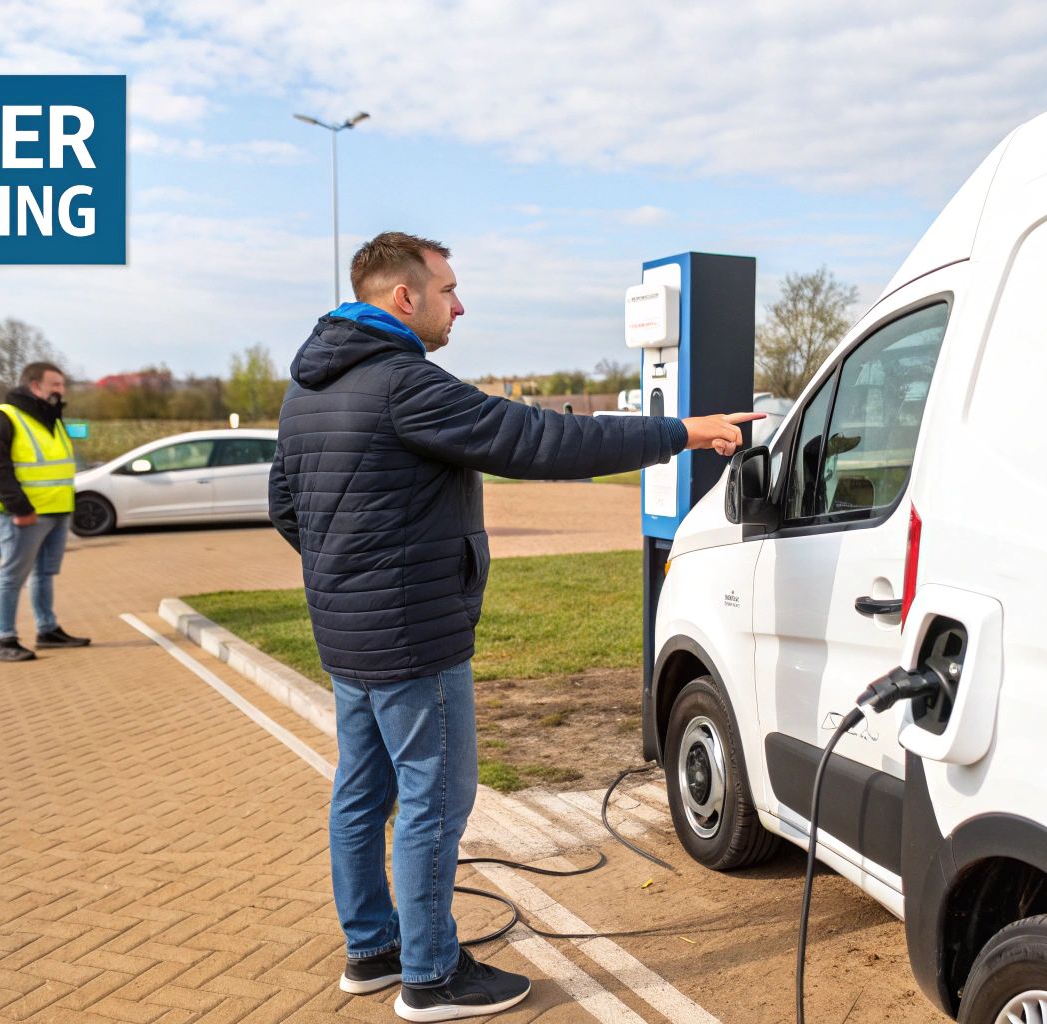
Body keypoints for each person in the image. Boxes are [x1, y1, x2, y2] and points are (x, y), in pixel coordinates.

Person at [269, 231, 759, 1022]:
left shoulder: (306, 391)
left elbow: (285, 509)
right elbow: (541, 438)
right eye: (449, 290)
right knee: (434, 799)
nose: (459, 304)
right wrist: (683, 430)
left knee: (362, 792)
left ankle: (373, 951)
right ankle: (431, 977)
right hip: (411, 634)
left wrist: (346, 577)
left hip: (348, 634)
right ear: (404, 297)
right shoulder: (403, 383)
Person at [0, 361, 92, 662]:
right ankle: (5, 640)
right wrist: (20, 508)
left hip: (56, 510)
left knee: (44, 574)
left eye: (62, 385)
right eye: (55, 384)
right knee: (12, 576)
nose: (61, 391)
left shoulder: (50, 419)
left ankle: (48, 631)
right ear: (34, 385)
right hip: (23, 515)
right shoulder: (3, 418)